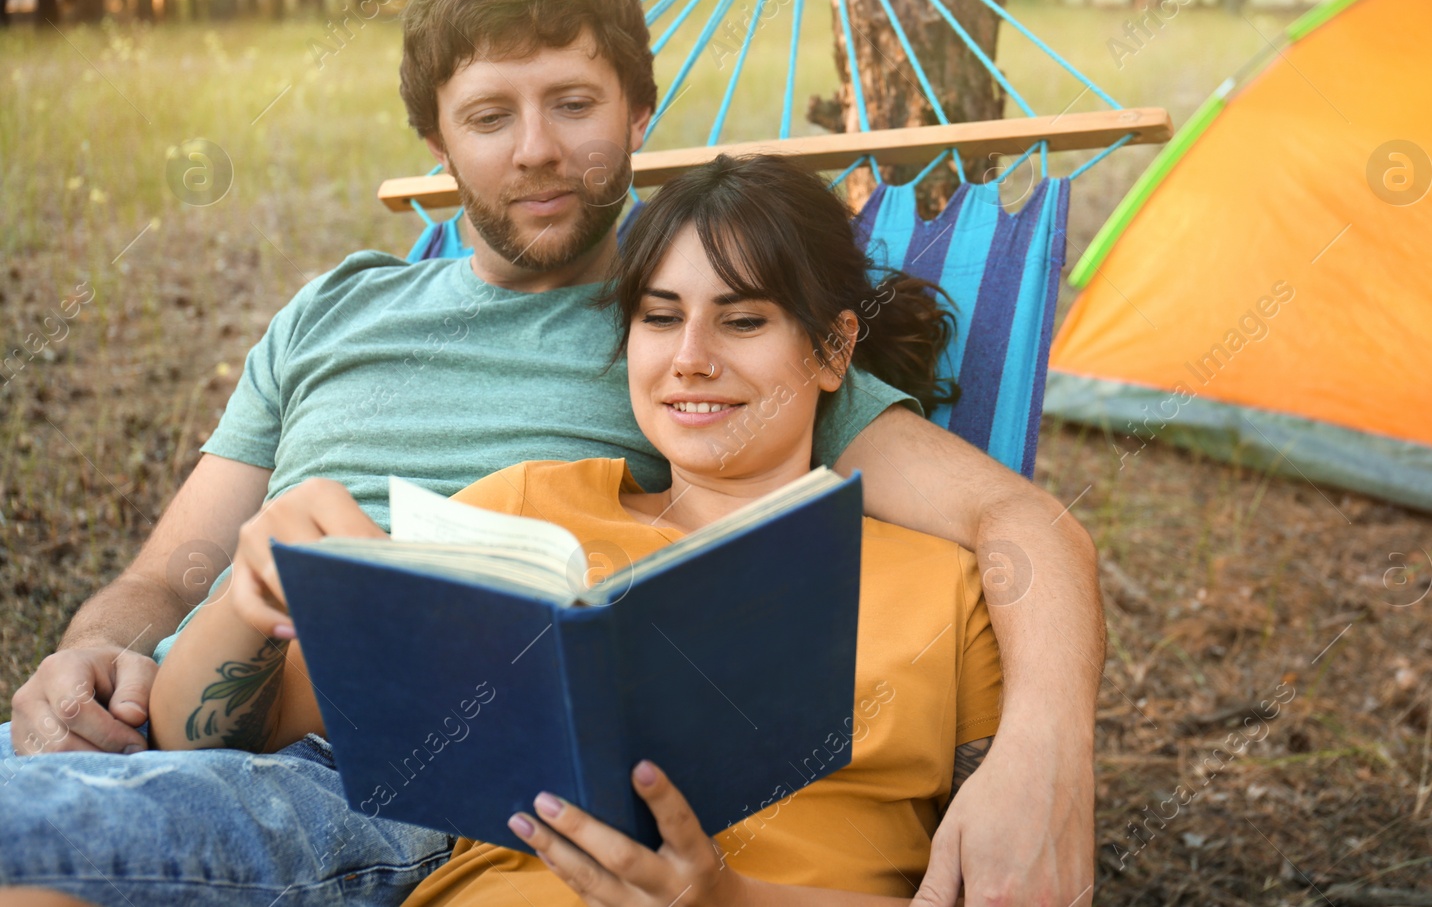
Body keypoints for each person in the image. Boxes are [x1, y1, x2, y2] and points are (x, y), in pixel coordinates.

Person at [0, 0, 1103, 907]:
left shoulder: (693, 342)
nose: (535, 148)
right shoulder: (330, 308)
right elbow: (169, 575)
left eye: (573, 103)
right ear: (437, 141)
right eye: (489, 115)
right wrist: (90, 653)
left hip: (408, 779)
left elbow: (1021, 527)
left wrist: (1045, 759)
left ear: (637, 108)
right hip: (190, 714)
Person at [150, 153, 1004, 907]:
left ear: (830, 349)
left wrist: (730, 900)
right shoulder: (523, 513)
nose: (690, 357)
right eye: (660, 316)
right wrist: (253, 596)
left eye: (743, 320)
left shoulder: (947, 587)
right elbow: (209, 738)